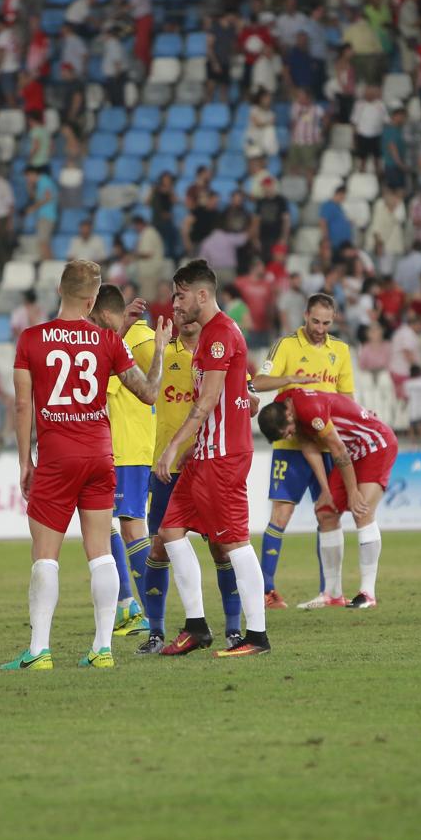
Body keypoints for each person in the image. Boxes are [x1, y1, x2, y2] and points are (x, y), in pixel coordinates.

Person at [3, 260, 170, 671]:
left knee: (46, 556)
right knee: (101, 553)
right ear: (94, 299)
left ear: (60, 290)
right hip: (100, 454)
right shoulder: (108, 342)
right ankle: (102, 649)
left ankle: (39, 650)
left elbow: (24, 404)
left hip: (57, 456)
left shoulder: (31, 340)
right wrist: (161, 350)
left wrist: (26, 461)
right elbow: (149, 393)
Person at [154, 258, 272, 658]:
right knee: (170, 531)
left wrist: (172, 448)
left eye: (181, 295)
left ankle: (256, 637)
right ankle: (197, 627)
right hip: (204, 455)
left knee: (235, 543)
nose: (176, 302)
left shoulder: (220, 334)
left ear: (202, 294)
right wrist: (246, 398)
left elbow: (205, 404)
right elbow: (235, 390)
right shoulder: (210, 336)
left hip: (222, 456)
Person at [251, 293, 354, 610]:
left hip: (326, 444)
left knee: (329, 514)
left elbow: (346, 399)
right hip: (292, 445)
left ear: (333, 319)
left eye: (326, 322)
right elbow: (259, 382)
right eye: (315, 321)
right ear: (305, 316)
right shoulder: (286, 345)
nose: (320, 328)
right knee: (281, 515)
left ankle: (330, 592)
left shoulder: (340, 351)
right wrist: (290, 378)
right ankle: (267, 591)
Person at [257, 389, 396, 609]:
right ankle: (332, 594)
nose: (290, 436)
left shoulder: (310, 410)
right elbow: (309, 446)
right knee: (325, 512)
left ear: (289, 416)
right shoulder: (283, 406)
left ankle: (367, 593)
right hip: (352, 451)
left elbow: (338, 450)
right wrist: (325, 489)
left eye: (288, 432)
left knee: (362, 511)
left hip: (374, 444)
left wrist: (352, 492)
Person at [88, 284, 157, 639]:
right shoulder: (116, 337)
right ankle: (128, 606)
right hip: (113, 445)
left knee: (130, 527)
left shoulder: (139, 340)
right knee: (108, 526)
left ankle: (148, 614)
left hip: (127, 446)